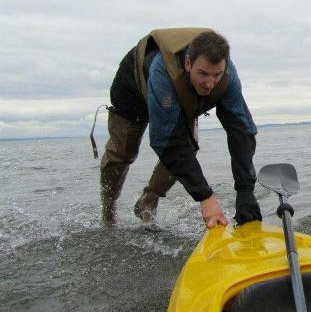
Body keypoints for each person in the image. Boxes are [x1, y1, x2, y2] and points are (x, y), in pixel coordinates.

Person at [100, 28, 262, 231]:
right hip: (132, 89)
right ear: (187, 63)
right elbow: (166, 141)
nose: (210, 83)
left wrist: (245, 190)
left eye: (216, 75)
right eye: (203, 73)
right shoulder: (162, 71)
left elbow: (242, 130)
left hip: (181, 96)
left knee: (187, 148)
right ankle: (108, 214)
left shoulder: (228, 75)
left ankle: (147, 202)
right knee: (122, 153)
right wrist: (205, 197)